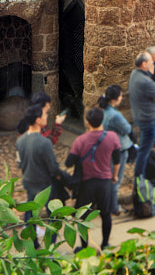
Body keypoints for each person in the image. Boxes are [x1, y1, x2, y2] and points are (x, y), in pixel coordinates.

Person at [65, 105, 120, 251]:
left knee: (82, 217)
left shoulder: (80, 141)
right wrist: (114, 176)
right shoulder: (112, 137)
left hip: (86, 185)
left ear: (88, 122)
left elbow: (68, 162)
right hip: (104, 182)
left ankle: (84, 246)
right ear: (102, 119)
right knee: (106, 214)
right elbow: (117, 160)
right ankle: (105, 244)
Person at [128, 51, 155, 195]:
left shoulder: (135, 74)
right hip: (148, 120)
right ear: (144, 64)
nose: (153, 64)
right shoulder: (145, 81)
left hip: (140, 116)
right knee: (144, 150)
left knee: (143, 149)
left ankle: (141, 174)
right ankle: (139, 177)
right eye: (150, 61)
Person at [16, 101, 66, 206]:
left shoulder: (20, 141)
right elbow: (52, 166)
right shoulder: (45, 142)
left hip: (28, 180)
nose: (46, 116)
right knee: (51, 207)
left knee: (29, 207)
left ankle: (29, 222)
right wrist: (58, 175)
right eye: (45, 114)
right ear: (38, 120)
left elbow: (19, 162)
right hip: (44, 182)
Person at [97, 86, 133, 215]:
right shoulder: (115, 115)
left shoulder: (103, 110)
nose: (122, 98)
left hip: (106, 147)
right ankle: (114, 207)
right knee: (115, 178)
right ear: (115, 99)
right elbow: (128, 129)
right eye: (121, 96)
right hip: (119, 148)